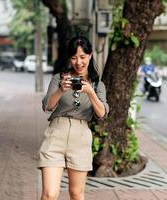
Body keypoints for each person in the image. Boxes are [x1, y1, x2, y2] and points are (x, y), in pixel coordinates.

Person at [37, 35, 109, 200]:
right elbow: (47, 106)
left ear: (90, 56)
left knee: (76, 194)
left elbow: (101, 113)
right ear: (70, 58)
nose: (79, 62)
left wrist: (90, 92)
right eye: (74, 58)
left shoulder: (98, 85)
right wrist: (61, 90)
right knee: (49, 194)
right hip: (56, 133)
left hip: (81, 137)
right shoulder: (59, 78)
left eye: (83, 57)